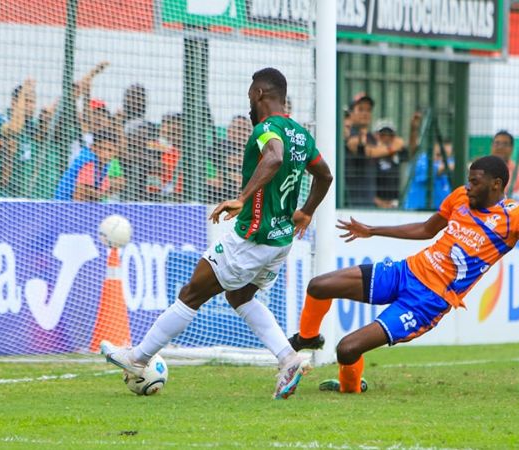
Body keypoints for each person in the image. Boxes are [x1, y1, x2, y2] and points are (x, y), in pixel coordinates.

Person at [102, 68, 334, 399]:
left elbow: (274, 156)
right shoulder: (301, 134)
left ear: (258, 95)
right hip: (280, 240)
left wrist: (242, 197)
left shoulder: (268, 129)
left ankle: (137, 359)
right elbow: (324, 175)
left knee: (192, 292)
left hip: (253, 238)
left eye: (249, 95)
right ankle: (288, 359)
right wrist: (307, 210)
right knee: (240, 296)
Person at [288, 155, 519, 393]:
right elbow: (427, 229)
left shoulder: (517, 217)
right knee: (319, 285)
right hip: (405, 271)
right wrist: (372, 230)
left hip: (427, 301)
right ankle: (308, 337)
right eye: (468, 180)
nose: (468, 186)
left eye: (474, 182)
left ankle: (351, 387)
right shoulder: (460, 198)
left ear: (496, 184)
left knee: (346, 349)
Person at [343, 92, 404, 208]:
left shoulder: (372, 137)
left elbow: (399, 143)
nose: (365, 113)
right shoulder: (349, 134)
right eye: (360, 109)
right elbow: (368, 151)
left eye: (368, 110)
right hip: (351, 203)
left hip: (369, 203)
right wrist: (391, 148)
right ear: (351, 114)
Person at [54, 127, 124, 202]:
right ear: (93, 147)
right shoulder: (88, 160)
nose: (106, 153)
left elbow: (119, 184)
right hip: (65, 203)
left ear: (116, 151)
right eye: (102, 148)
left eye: (110, 150)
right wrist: (100, 193)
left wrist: (102, 192)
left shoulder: (108, 163)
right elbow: (79, 193)